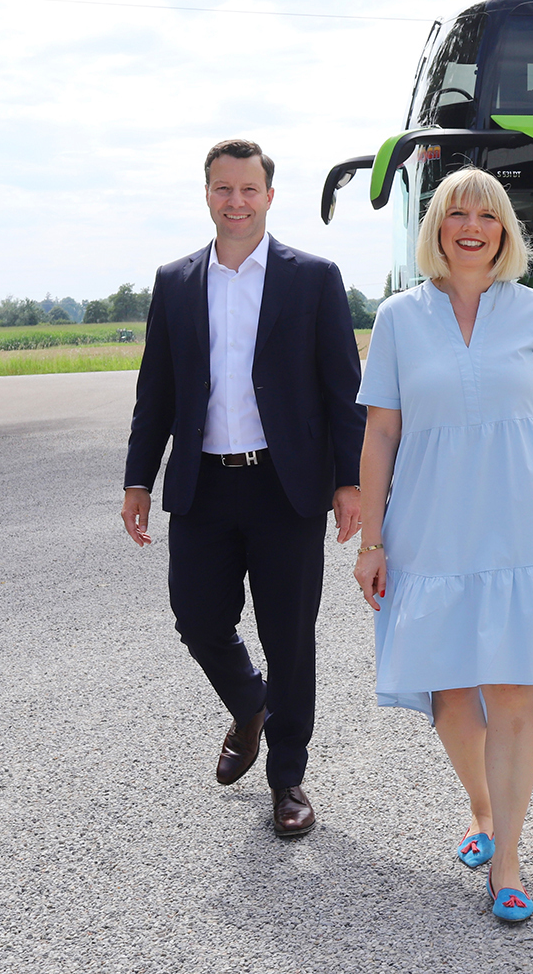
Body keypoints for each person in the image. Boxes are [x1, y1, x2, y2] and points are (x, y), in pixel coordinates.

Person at [352, 165, 533, 924]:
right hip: (427, 527)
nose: (471, 225)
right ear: (436, 229)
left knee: (515, 692)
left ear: (503, 231)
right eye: (456, 212)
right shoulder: (397, 317)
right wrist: (370, 540)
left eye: (486, 215)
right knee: (451, 693)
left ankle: (510, 861)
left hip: (521, 523)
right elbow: (381, 431)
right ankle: (484, 809)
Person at [121, 139, 365, 837]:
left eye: (248, 189)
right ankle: (251, 703)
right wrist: (139, 478)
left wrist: (349, 483)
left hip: (285, 488)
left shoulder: (312, 278)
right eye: (223, 189)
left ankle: (288, 780)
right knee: (196, 618)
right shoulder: (174, 282)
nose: (236, 201)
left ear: (268, 196)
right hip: (203, 485)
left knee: (289, 635)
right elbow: (156, 393)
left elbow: (342, 392)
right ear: (207, 195)